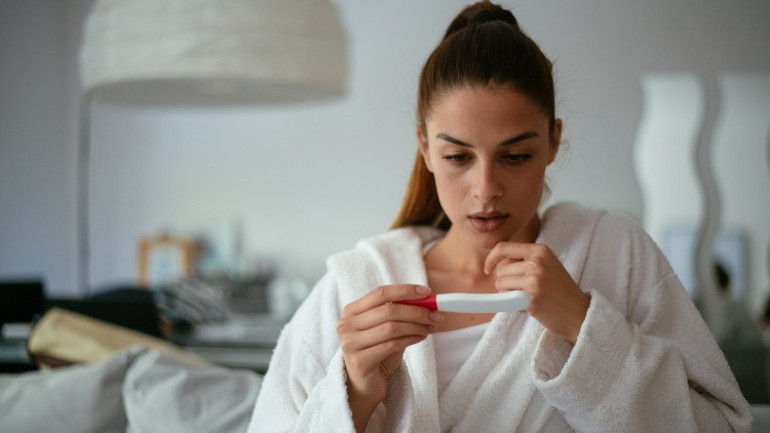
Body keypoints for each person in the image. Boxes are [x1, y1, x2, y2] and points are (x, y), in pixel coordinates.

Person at [248, 1, 752, 432]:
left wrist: (583, 324)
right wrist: (354, 395)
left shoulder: (613, 254)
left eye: (515, 156)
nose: (485, 190)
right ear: (424, 148)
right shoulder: (355, 285)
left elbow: (726, 426)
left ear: (553, 141)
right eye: (457, 157)